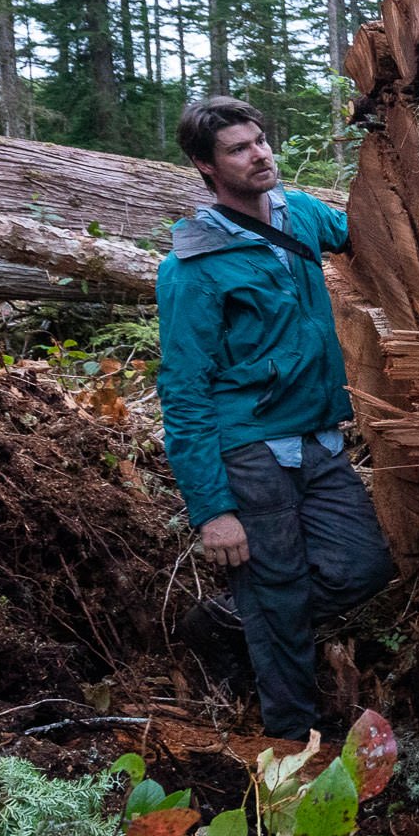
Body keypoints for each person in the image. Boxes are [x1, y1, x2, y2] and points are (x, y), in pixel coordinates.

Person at [157, 96, 394, 739]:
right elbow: (182, 393)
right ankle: (289, 757)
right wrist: (212, 510)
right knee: (281, 595)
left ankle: (238, 621)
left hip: (318, 439)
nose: (260, 155)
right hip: (251, 454)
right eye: (238, 149)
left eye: (260, 141)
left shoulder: (301, 215)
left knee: (367, 565)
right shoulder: (193, 268)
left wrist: (392, 137)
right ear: (205, 167)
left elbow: (371, 230)